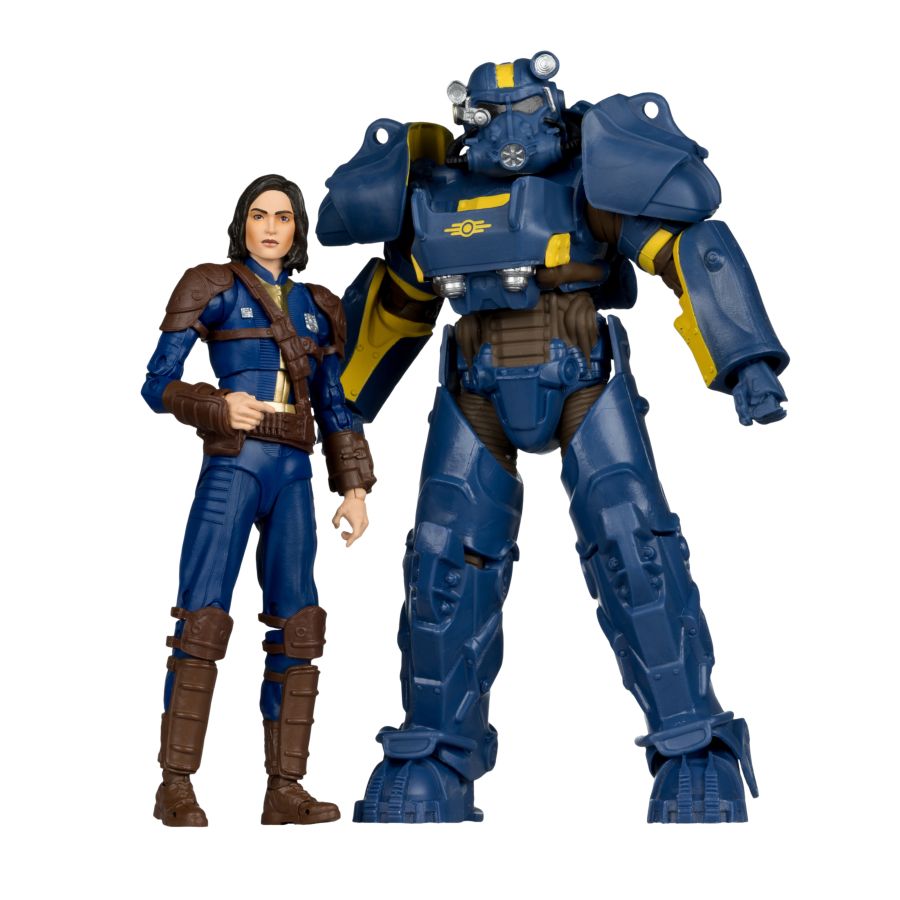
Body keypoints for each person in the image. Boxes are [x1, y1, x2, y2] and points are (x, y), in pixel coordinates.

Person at [318, 53, 786, 823]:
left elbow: (690, 251)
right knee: (442, 561)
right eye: (491, 114)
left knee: (633, 547)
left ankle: (693, 747)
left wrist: (745, 361)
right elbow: (393, 304)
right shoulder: (435, 195)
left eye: (525, 110)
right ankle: (433, 753)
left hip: (581, 377)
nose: (509, 131)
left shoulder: (588, 182)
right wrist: (334, 403)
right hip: (475, 385)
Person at [142, 173, 375, 826]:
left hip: (293, 473)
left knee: (300, 622)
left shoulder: (320, 306)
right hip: (234, 464)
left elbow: (336, 403)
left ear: (298, 229)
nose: (271, 227)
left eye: (283, 216)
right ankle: (175, 784)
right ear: (242, 223)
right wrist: (217, 404)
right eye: (259, 215)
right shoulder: (211, 286)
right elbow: (157, 383)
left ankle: (285, 789)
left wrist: (354, 487)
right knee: (203, 617)